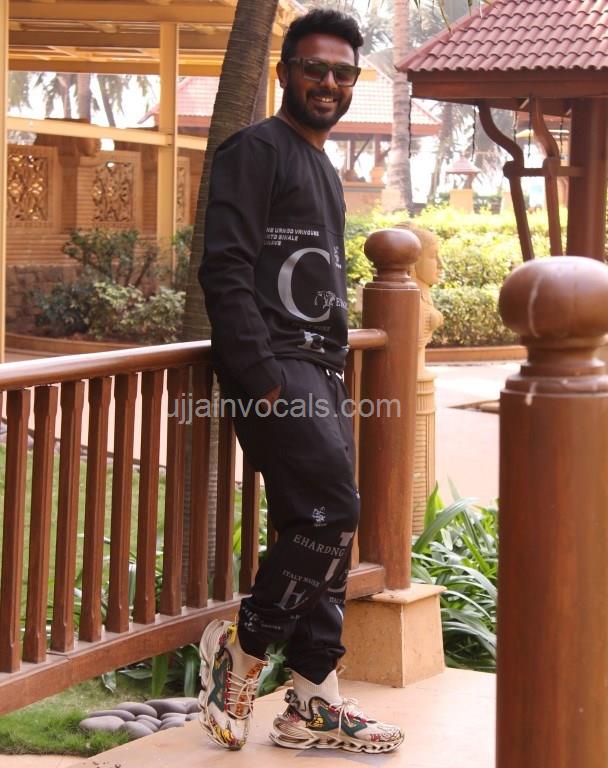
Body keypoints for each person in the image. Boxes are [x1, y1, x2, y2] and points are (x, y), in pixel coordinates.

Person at [197, 9, 404, 755]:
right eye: (314, 68)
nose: (328, 82)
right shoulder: (253, 150)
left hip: (319, 370)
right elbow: (224, 266)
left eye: (343, 73)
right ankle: (243, 651)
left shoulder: (320, 165)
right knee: (331, 513)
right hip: (278, 369)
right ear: (284, 72)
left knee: (324, 528)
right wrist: (260, 378)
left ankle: (315, 700)